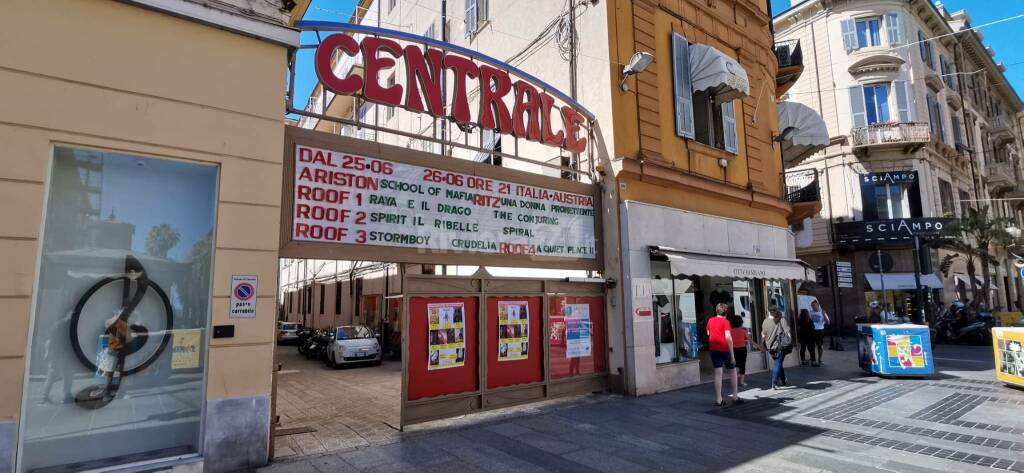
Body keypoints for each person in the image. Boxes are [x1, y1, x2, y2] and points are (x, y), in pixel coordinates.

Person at [707, 303, 742, 406]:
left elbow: (708, 333)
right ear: (726, 312)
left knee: (718, 373)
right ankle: (735, 396)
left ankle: (719, 399)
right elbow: (728, 338)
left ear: (716, 310)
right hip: (725, 349)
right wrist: (732, 355)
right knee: (733, 371)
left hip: (713, 349)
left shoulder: (710, 320)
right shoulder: (726, 322)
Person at [761, 306, 792, 390]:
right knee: (778, 363)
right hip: (779, 346)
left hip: (769, 346)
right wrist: (790, 341)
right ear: (777, 311)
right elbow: (787, 332)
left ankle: (783, 380)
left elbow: (763, 335)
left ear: (768, 311)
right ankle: (774, 383)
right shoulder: (782, 320)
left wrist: (761, 344)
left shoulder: (765, 321)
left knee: (778, 362)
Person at [729, 315, 749, 387]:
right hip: (742, 349)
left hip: (733, 349)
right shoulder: (744, 331)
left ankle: (734, 380)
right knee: (742, 365)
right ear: (741, 322)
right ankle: (742, 382)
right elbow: (747, 340)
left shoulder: (730, 331)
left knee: (735, 365)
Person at [809, 300, 830, 366]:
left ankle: (820, 359)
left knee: (820, 346)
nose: (813, 307)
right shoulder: (810, 313)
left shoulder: (822, 312)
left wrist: (824, 314)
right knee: (811, 346)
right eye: (812, 306)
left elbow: (828, 323)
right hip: (812, 331)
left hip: (820, 331)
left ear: (818, 305)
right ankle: (813, 360)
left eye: (814, 306)